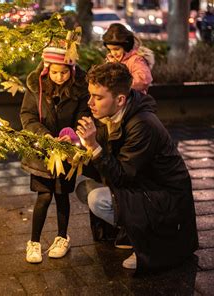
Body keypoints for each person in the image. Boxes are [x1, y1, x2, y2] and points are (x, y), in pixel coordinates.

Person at [75, 62, 198, 272]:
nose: (90, 103)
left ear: (120, 99)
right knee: (84, 189)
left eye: (98, 97)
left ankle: (149, 243)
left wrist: (93, 146)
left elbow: (122, 175)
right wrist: (77, 155)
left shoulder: (142, 124)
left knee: (97, 199)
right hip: (142, 186)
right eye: (90, 95)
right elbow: (105, 167)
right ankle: (131, 231)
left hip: (165, 197)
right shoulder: (111, 115)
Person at [20, 46, 90, 263]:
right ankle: (34, 241)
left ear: (72, 70)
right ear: (46, 69)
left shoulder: (79, 90)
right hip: (42, 152)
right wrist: (44, 136)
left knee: (62, 196)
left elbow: (84, 115)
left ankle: (62, 237)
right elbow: (28, 116)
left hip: (67, 153)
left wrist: (75, 137)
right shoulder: (36, 88)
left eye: (64, 72)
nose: (60, 77)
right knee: (44, 196)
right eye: (55, 72)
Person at [103, 23, 154, 94]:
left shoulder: (135, 60)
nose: (113, 53)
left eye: (116, 49)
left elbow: (143, 80)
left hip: (133, 101)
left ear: (127, 46)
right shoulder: (111, 60)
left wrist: (119, 85)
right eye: (110, 49)